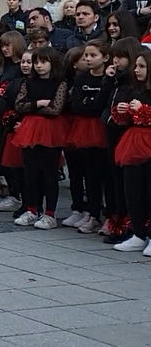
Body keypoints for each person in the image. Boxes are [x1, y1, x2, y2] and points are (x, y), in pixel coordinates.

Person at [12, 46, 68, 229]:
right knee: (30, 172)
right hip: (30, 128)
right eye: (36, 62)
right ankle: (32, 209)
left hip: (50, 129)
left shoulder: (59, 83)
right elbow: (19, 105)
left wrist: (33, 106)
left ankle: (50, 213)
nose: (39, 66)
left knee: (49, 172)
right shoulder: (28, 82)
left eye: (43, 62)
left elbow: (55, 109)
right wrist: (37, 103)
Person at [62, 40, 111, 233]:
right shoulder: (82, 78)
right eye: (87, 56)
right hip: (85, 129)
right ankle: (93, 214)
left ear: (106, 58)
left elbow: (101, 105)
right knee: (90, 174)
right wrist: (90, 104)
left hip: (102, 129)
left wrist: (91, 103)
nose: (89, 59)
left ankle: (111, 215)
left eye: (93, 56)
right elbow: (77, 105)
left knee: (107, 175)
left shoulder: (108, 79)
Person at [111, 49, 151, 255]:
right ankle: (138, 232)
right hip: (133, 142)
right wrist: (122, 111)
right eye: (136, 66)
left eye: (142, 66)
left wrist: (144, 110)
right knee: (132, 191)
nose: (137, 70)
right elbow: (123, 118)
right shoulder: (133, 89)